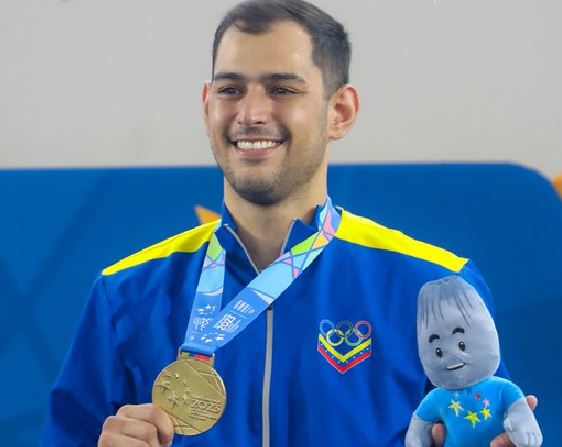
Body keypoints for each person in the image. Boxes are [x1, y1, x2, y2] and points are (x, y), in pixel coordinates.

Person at [41, 1, 536, 446]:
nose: (251, 113)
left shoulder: (435, 285)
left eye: (282, 89)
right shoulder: (123, 293)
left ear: (338, 111)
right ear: (207, 105)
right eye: (230, 89)